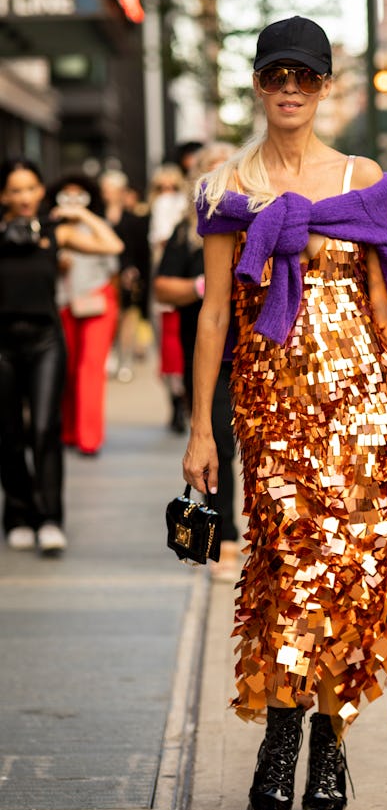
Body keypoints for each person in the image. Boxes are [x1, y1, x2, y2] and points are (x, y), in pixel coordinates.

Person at [183, 16, 387, 810]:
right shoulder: (229, 189)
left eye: (305, 75)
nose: (290, 87)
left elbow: (383, 307)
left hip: (362, 410)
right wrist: (202, 432)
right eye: (275, 75)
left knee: (353, 579)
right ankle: (280, 739)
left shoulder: (362, 178)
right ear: (258, 86)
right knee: (287, 571)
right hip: (273, 413)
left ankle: (328, 747)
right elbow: (215, 318)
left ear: (325, 86)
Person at [0, 158, 123, 554]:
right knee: (9, 434)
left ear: (41, 191)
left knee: (44, 429)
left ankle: (51, 518)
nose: (23, 197)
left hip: (46, 342)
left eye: (30, 188)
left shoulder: (56, 230)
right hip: (3, 343)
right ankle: (18, 514)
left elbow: (112, 245)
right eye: (15, 190)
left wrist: (79, 212)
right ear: (4, 195)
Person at [154, 142, 240, 580]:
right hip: (209, 354)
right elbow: (161, 288)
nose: (221, 173)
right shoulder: (188, 231)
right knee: (217, 444)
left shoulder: (253, 218)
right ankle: (223, 537)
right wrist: (201, 287)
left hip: (257, 348)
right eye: (212, 167)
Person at [51, 174, 120, 456]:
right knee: (65, 368)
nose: (72, 200)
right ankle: (68, 431)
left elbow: (114, 261)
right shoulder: (50, 227)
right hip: (63, 304)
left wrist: (83, 215)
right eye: (66, 195)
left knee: (89, 369)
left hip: (97, 302)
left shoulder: (97, 227)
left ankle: (89, 438)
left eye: (79, 195)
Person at [99, 169, 152, 381]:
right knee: (109, 317)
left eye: (112, 190)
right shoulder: (98, 217)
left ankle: (125, 359)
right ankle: (109, 356)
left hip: (128, 275)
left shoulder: (134, 219)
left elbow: (141, 251)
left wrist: (136, 273)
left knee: (128, 317)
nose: (108, 194)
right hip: (103, 275)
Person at [147, 163, 188, 432]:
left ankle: (179, 402)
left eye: (172, 186)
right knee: (171, 346)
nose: (167, 193)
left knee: (174, 346)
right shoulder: (164, 206)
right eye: (161, 187)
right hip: (170, 283)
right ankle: (177, 401)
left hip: (176, 281)